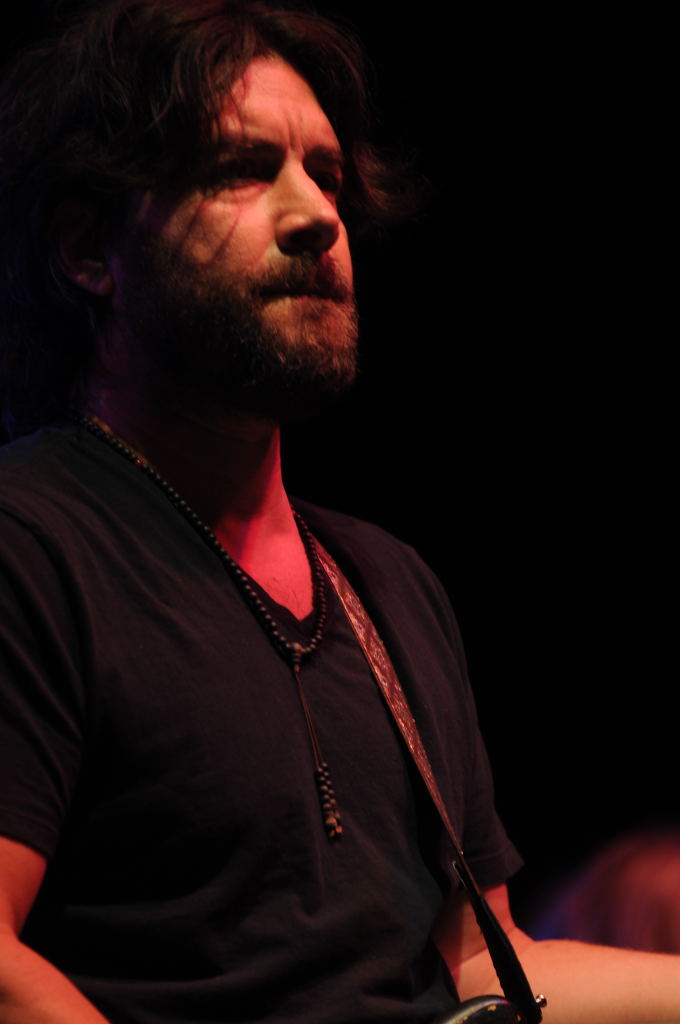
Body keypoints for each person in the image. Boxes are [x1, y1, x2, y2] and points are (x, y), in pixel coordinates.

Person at [0, 2, 679, 1022]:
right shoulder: (31, 545)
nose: (317, 214)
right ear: (89, 248)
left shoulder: (386, 585)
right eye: (241, 169)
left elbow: (476, 967)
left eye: (324, 175)